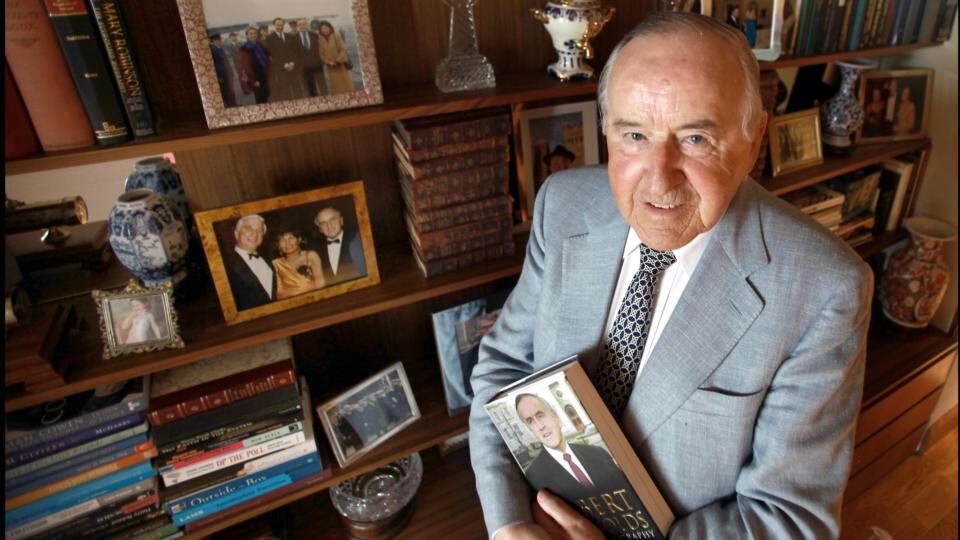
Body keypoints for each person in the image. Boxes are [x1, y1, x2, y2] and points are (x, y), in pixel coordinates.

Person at [469, 12, 872, 540]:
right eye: (634, 135)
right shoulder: (561, 206)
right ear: (606, 132)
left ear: (754, 140)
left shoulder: (826, 288)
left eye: (697, 139)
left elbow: (789, 520)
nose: (659, 180)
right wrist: (508, 523)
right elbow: (504, 368)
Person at [514, 393, 644, 529]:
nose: (540, 426)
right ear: (530, 430)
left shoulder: (598, 453)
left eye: (540, 415)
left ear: (556, 417)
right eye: (530, 421)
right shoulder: (534, 476)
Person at [225, 214, 276, 311]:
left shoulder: (269, 260)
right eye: (249, 228)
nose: (254, 234)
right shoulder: (225, 265)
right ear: (236, 234)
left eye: (259, 230)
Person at [313, 206, 367, 285]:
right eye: (323, 223)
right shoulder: (315, 252)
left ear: (341, 221)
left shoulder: (358, 239)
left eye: (332, 219)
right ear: (320, 229)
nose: (329, 225)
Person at [272, 229, 325, 299]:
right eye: (282, 240)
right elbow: (279, 293)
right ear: (278, 245)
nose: (287, 243)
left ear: (299, 239)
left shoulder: (310, 256)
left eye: (291, 238)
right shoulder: (276, 264)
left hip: (313, 298)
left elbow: (320, 284)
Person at [264, 17, 306, 101]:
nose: (280, 27)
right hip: (281, 68)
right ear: (274, 25)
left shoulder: (290, 36)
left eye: (281, 25)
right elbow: (272, 54)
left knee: (297, 89)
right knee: (285, 90)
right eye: (278, 25)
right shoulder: (269, 38)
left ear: (283, 25)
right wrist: (285, 65)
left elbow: (295, 51)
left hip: (293, 67)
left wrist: (292, 63)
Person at [317, 21, 354, 95]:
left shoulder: (336, 36)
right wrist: (328, 62)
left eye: (326, 28)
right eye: (322, 28)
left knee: (346, 84)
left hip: (341, 64)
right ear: (320, 30)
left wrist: (337, 61)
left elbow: (343, 49)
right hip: (331, 66)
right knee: (336, 86)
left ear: (330, 28)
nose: (325, 30)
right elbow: (321, 54)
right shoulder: (320, 40)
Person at [294, 19, 326, 96]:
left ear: (307, 25)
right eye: (300, 25)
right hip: (304, 66)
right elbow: (294, 53)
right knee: (310, 87)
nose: (302, 26)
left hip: (317, 65)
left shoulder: (314, 35)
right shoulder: (294, 38)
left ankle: (326, 98)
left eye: (304, 24)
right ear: (297, 26)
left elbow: (321, 49)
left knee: (322, 85)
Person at [238, 26, 270, 104]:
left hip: (265, 74)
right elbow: (246, 67)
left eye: (255, 33)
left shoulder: (260, 44)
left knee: (268, 97)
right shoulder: (244, 48)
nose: (253, 35)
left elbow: (267, 56)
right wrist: (253, 81)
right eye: (251, 34)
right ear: (247, 35)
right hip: (256, 77)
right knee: (261, 99)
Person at [209, 34, 235, 107]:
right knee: (226, 90)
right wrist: (219, 76)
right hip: (222, 74)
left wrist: (231, 71)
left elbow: (226, 61)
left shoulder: (219, 48)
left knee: (230, 88)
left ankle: (233, 104)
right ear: (214, 40)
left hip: (226, 72)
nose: (221, 41)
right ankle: (229, 105)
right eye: (220, 39)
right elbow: (215, 65)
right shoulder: (213, 50)